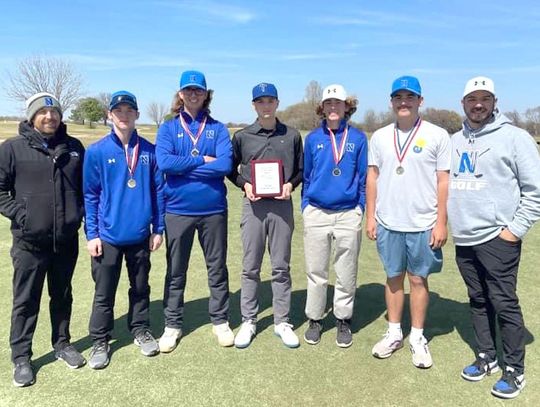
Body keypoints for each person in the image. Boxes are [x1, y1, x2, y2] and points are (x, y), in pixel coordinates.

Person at [448, 76, 540, 399]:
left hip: (498, 239)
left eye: (485, 98)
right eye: (472, 98)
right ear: (463, 103)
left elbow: (535, 192)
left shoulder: (515, 138)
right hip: (465, 239)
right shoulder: (454, 140)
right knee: (478, 300)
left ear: (494, 102)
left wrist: (513, 232)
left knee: (504, 303)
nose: (478, 104)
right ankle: (486, 357)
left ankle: (514, 370)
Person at [0, 92, 86, 387]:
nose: (50, 117)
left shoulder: (74, 148)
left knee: (62, 295)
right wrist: (21, 215)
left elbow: (84, 187)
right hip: (29, 242)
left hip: (65, 240)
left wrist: (77, 214)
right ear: (31, 116)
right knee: (26, 300)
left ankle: (62, 344)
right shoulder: (12, 148)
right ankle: (21, 356)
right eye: (43, 112)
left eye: (54, 112)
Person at [366, 76, 450, 369]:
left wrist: (441, 222)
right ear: (391, 101)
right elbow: (373, 177)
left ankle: (416, 336)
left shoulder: (437, 135)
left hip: (423, 222)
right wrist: (371, 215)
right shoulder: (378, 136)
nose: (404, 102)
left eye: (410, 96)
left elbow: (443, 181)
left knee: (417, 279)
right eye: (398, 97)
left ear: (420, 101)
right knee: (392, 278)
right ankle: (393, 332)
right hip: (388, 221)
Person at [83, 91, 165, 369]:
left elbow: (158, 192)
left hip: (141, 235)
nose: (124, 115)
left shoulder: (150, 151)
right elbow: (91, 195)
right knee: (104, 292)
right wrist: (92, 234)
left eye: (129, 110)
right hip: (107, 237)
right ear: (109, 115)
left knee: (140, 288)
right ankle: (100, 340)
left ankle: (140, 329)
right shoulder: (96, 152)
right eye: (118, 110)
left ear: (137, 115)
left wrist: (158, 228)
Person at [156, 70, 234, 351]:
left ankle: (220, 320)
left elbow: (224, 166)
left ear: (206, 94)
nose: (193, 94)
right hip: (177, 210)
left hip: (213, 210)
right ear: (180, 94)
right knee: (176, 271)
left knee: (217, 268)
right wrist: (203, 160)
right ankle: (172, 324)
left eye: (198, 90)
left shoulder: (218, 128)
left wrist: (186, 167)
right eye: (188, 90)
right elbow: (165, 163)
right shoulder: (168, 128)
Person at [228, 82, 303, 349]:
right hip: (254, 206)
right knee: (250, 268)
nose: (266, 106)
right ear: (254, 105)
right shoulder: (242, 136)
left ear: (277, 103)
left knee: (281, 266)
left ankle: (282, 321)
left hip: (282, 206)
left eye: (270, 100)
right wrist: (244, 185)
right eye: (261, 101)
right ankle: (249, 320)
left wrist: (290, 185)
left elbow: (300, 170)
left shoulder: (292, 135)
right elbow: (230, 170)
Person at [301, 84, 368, 348]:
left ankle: (343, 318)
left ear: (346, 107)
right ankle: (315, 318)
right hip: (316, 211)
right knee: (316, 271)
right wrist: (306, 206)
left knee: (346, 271)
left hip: (348, 213)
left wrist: (360, 207)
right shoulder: (314, 139)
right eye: (328, 103)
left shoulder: (359, 138)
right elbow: (306, 176)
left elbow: (363, 179)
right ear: (322, 107)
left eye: (337, 103)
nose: (332, 108)